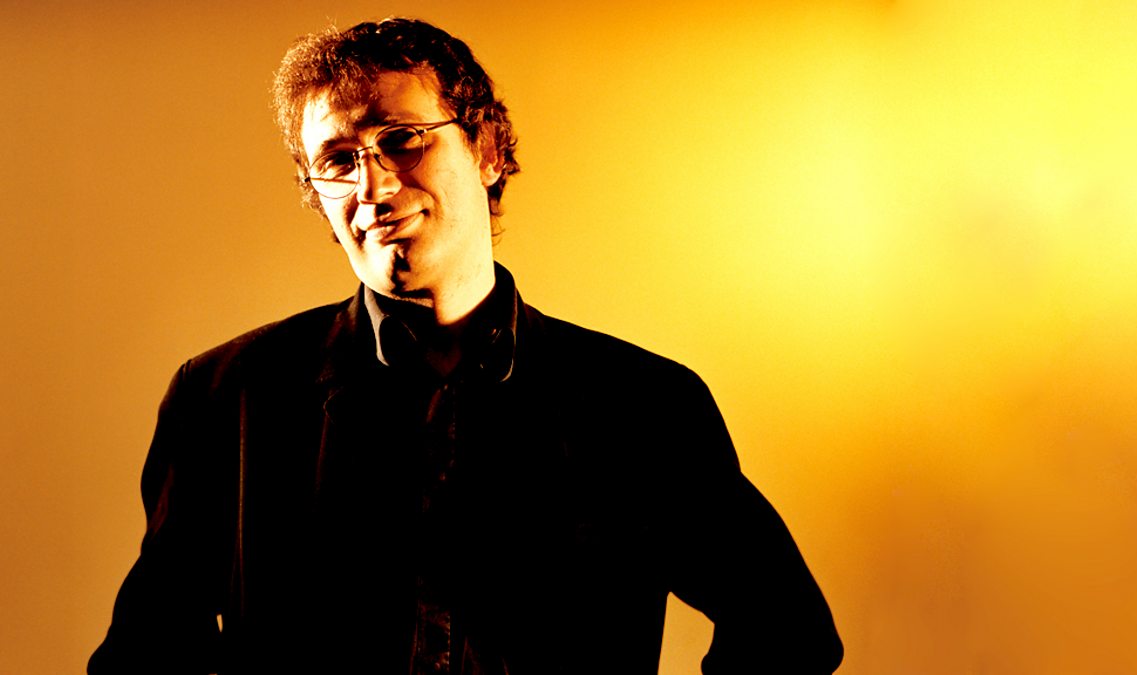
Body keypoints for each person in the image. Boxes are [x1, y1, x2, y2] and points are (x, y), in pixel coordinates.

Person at [89, 17, 843, 675]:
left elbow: (787, 630)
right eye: (338, 161)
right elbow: (147, 655)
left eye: (400, 140)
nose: (372, 188)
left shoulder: (645, 404)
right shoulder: (224, 396)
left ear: (486, 149)